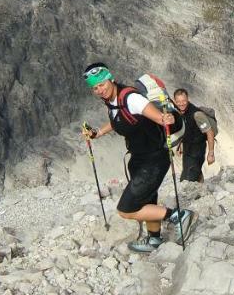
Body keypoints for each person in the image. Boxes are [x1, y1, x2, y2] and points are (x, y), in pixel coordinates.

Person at [81, 63, 196, 252]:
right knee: (147, 199)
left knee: (126, 209)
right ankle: (154, 240)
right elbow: (116, 119)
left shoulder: (131, 98)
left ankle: (179, 216)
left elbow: (158, 117)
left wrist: (167, 119)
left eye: (101, 84)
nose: (99, 90)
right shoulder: (113, 101)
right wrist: (97, 133)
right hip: (139, 158)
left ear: (110, 78)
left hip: (154, 159)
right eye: (95, 88)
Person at [172, 88, 215, 182]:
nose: (181, 103)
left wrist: (211, 153)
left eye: (183, 100)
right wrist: (180, 145)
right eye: (178, 101)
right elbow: (185, 130)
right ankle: (201, 187)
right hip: (187, 148)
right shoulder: (179, 112)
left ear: (188, 99)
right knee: (191, 171)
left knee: (187, 179)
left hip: (198, 149)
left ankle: (197, 192)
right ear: (175, 101)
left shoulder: (196, 114)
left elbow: (209, 132)